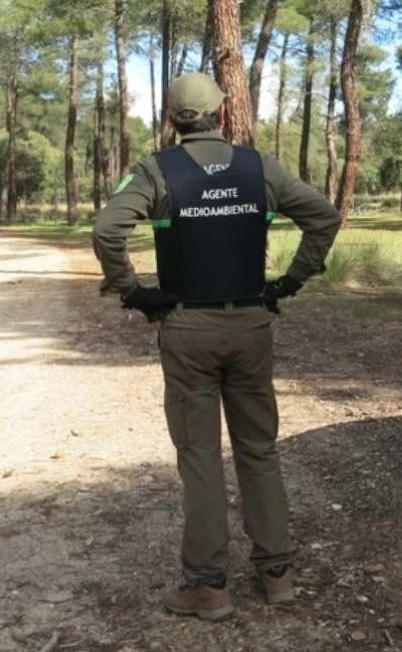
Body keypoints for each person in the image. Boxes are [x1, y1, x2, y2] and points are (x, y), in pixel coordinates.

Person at [92, 74, 341, 620]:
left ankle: (208, 587)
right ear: (222, 117)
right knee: (259, 449)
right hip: (251, 324)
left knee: (200, 456)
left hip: (187, 329)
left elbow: (108, 229)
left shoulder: (157, 170)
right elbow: (324, 216)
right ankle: (277, 574)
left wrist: (135, 293)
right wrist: (290, 282)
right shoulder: (259, 168)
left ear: (172, 120)